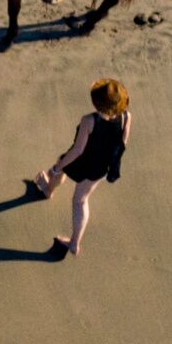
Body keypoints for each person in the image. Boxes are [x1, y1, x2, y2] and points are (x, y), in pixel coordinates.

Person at [23, 78, 128, 258]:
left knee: (68, 176)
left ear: (97, 102)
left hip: (84, 161)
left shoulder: (89, 120)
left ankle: (72, 241)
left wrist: (56, 168)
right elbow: (122, 143)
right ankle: (49, 194)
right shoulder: (126, 116)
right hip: (101, 167)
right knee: (81, 198)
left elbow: (78, 150)